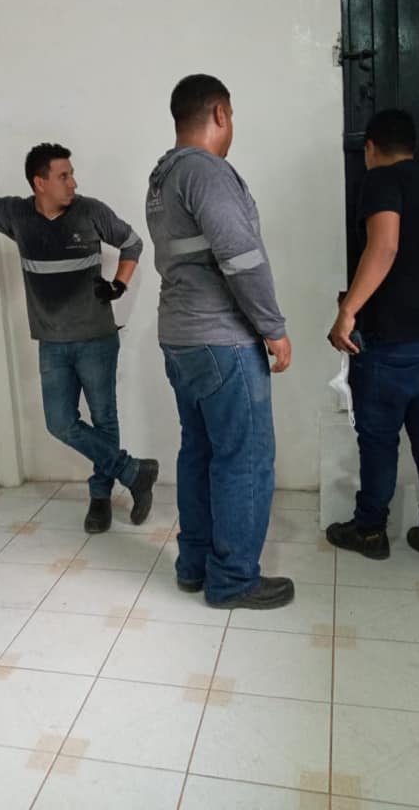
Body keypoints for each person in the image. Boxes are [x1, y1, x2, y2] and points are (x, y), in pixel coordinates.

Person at [0, 134, 158, 534]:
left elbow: (132, 243)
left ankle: (100, 497)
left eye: (72, 174)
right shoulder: (17, 215)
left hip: (96, 339)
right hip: (52, 344)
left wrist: (119, 285)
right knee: (59, 423)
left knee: (104, 419)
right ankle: (133, 471)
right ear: (40, 183)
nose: (73, 183)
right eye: (64, 176)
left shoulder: (91, 211)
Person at [146, 74, 294, 609]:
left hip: (180, 338)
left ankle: (194, 565)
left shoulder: (162, 177)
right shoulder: (207, 171)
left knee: (200, 451)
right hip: (221, 340)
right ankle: (232, 579)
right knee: (244, 458)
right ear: (220, 113)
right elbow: (241, 256)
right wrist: (273, 328)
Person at [327, 109, 419, 568]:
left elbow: (385, 246)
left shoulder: (381, 180)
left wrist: (348, 311)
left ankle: (369, 530)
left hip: (396, 343)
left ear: (370, 147)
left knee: (380, 439)